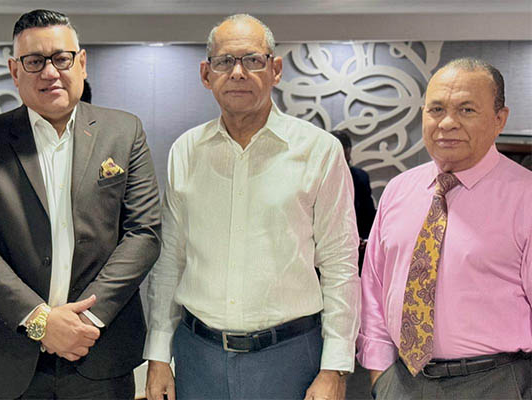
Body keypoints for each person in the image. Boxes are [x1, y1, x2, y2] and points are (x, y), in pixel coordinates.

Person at [144, 14, 360, 400]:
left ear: (275, 69)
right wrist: (158, 356)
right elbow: (169, 261)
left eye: (253, 60)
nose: (238, 72)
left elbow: (340, 265)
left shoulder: (319, 151)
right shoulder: (186, 151)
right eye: (225, 61)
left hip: (290, 357)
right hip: (198, 356)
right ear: (206, 74)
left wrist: (335, 369)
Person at [0, 9, 161, 399]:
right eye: (34, 61)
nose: (50, 72)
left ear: (82, 62)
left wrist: (87, 319)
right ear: (15, 71)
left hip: (99, 354)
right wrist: (41, 321)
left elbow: (143, 234)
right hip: (3, 357)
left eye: (62, 58)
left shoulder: (124, 131)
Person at [358, 58, 532, 399]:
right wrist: (381, 377)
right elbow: (374, 289)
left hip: (497, 382)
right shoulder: (398, 190)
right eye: (436, 109)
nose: (447, 123)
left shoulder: (525, 196)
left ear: (500, 119)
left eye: (466, 110)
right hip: (402, 381)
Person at [331, 130, 377, 270]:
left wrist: (365, 239)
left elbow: (368, 215)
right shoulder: (315, 177)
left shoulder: (359, 177)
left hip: (355, 246)